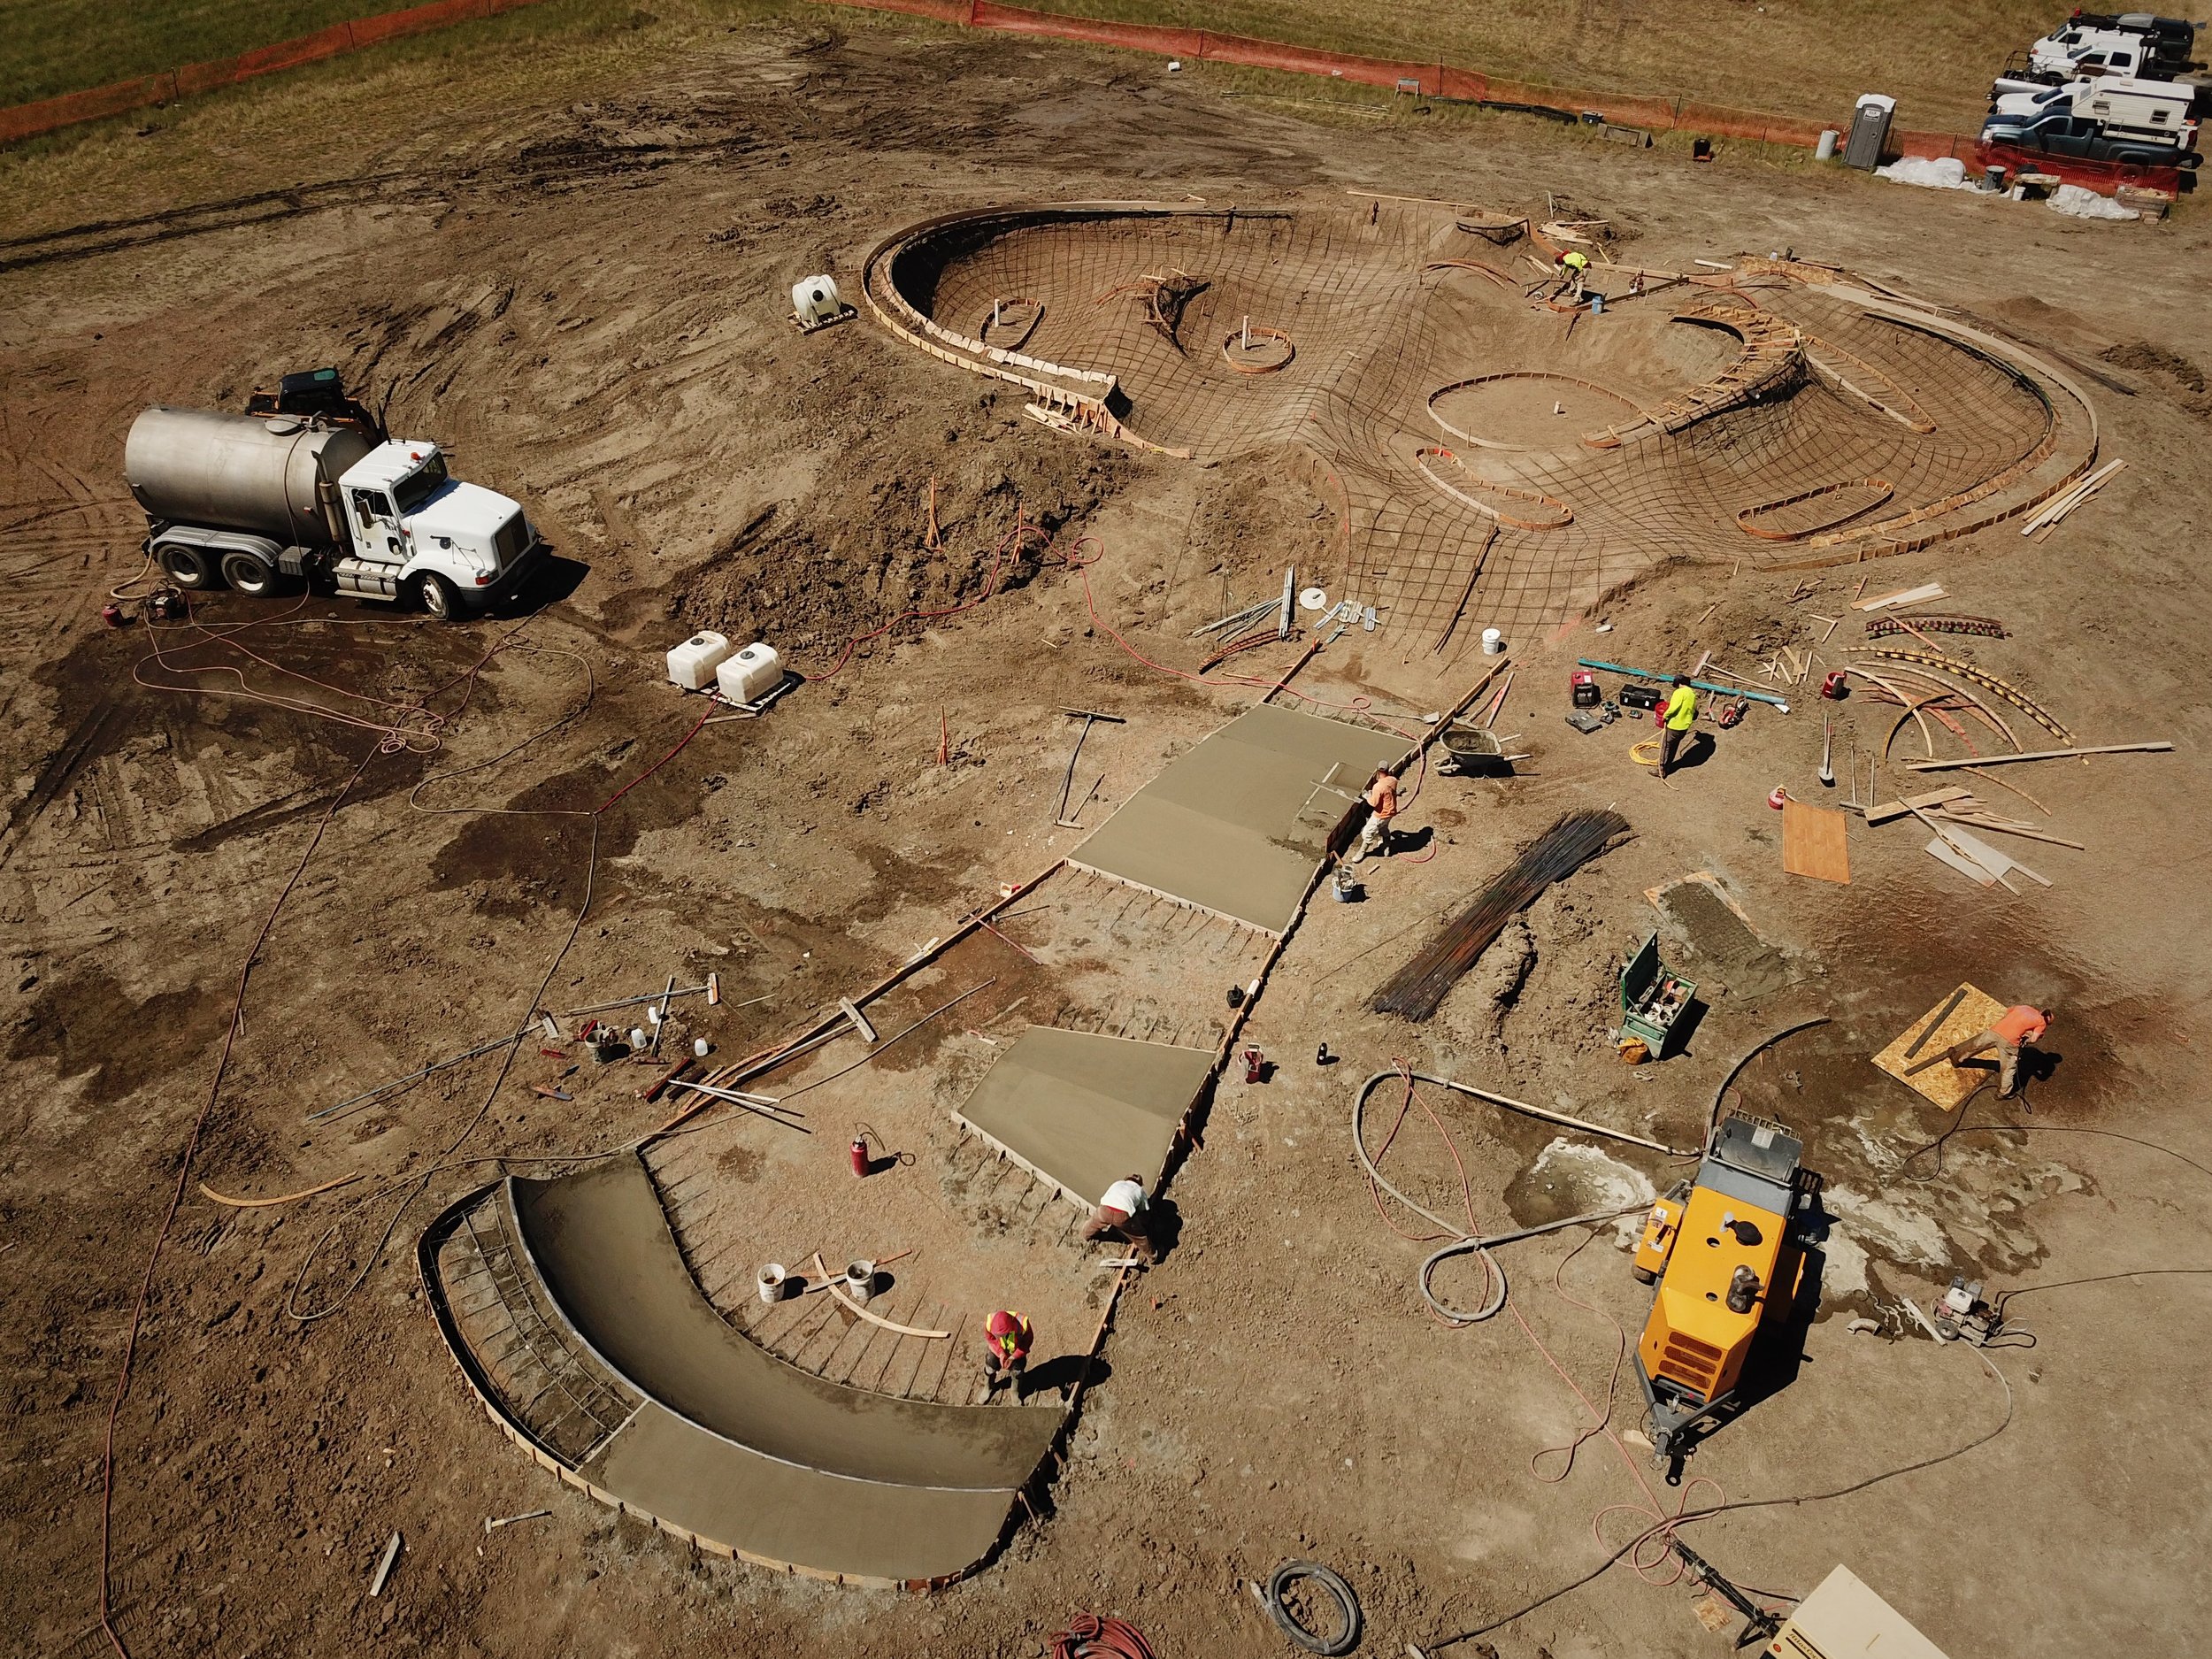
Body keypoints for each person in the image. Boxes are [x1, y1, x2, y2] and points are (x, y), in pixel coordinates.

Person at [1947, 1005, 2051, 1098]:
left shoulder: (2024, 1007)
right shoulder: (2042, 1022)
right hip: (2010, 1042)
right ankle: (2003, 1093)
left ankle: (1956, 1059)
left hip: (1996, 1031)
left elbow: (2008, 1012)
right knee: (2008, 1068)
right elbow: (2033, 1039)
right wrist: (2025, 1041)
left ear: (2041, 1010)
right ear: (2046, 1020)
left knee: (1975, 1046)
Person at [1081, 1173, 1158, 1264]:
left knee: (1092, 1224)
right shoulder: (1140, 1190)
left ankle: (1086, 1234)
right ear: (1140, 1183)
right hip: (1122, 1216)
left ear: (1126, 1179)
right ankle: (1152, 1257)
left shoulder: (1117, 1183)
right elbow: (1144, 1210)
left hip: (1104, 1210)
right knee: (1140, 1237)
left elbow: (1107, 1196)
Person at [979, 1309, 1033, 1400]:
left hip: (1016, 1350)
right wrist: (1001, 1353)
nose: (1001, 1337)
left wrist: (1013, 1357)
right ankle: (989, 1385)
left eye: (1004, 1335)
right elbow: (991, 1340)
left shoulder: (1023, 1324)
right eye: (998, 1335)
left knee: (1018, 1371)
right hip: (998, 1349)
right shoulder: (989, 1323)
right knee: (990, 1364)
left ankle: (1015, 1390)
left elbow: (1026, 1344)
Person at [1354, 765, 1401, 861]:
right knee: (1383, 828)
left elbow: (1373, 803)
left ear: (1377, 772)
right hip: (1391, 811)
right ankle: (1387, 846)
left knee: (1367, 832)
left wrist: (1367, 796)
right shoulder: (1393, 780)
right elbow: (1386, 794)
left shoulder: (1378, 786)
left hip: (1381, 814)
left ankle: (1362, 853)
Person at [1657, 679, 1698, 778]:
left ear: (1679, 683)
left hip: (1675, 725)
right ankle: (1668, 767)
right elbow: (1694, 711)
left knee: (1666, 746)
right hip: (1684, 727)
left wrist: (1665, 716)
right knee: (1674, 746)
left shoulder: (1679, 692)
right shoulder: (1692, 694)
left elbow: (1673, 707)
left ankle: (1661, 770)